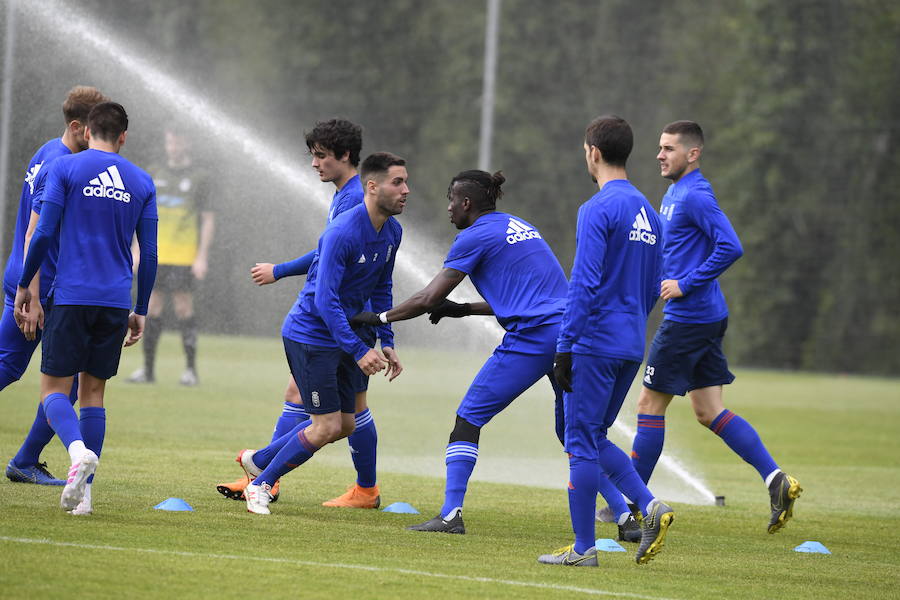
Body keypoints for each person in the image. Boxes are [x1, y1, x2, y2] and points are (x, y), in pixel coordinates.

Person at [351, 168, 590, 537]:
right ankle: (629, 516)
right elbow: (531, 297)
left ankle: (450, 515)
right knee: (574, 434)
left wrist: (377, 316)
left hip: (535, 337)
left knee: (468, 418)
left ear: (466, 203)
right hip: (568, 336)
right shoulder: (519, 226)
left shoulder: (473, 237)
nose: (448, 209)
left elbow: (427, 298)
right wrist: (462, 308)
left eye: (451, 201)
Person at [629, 120, 802, 534]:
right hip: (704, 317)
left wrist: (685, 283)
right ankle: (776, 480)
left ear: (693, 154)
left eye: (669, 148)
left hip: (689, 320)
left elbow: (731, 245)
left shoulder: (696, 195)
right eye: (659, 147)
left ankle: (631, 503)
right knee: (708, 411)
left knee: (649, 406)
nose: (660, 154)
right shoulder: (674, 193)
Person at [216, 119, 385, 509]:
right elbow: (330, 250)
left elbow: (327, 252)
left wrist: (280, 269)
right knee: (323, 404)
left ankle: (268, 472)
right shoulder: (348, 193)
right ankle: (267, 470)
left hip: (338, 324)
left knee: (346, 414)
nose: (314, 164)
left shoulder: (355, 197)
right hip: (345, 321)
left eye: (321, 156)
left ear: (345, 156)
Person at [538, 115, 672, 567]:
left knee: (578, 439)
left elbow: (585, 283)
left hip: (593, 342)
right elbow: (655, 285)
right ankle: (651, 507)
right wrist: (629, 321)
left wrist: (565, 344)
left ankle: (582, 550)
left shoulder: (596, 209)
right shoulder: (649, 212)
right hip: (631, 343)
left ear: (592, 152)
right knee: (594, 436)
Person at [14, 101, 158, 515]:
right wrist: (141, 308)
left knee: (53, 391)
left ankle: (77, 453)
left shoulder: (66, 168)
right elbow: (148, 253)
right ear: (124, 137)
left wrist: (27, 284)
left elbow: (42, 234)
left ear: (88, 130)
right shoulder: (142, 181)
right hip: (114, 301)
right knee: (93, 394)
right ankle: (85, 497)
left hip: (72, 295)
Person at [3, 85, 108, 486]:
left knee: (18, 368)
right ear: (79, 127)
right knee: (66, 381)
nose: (99, 135)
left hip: (27, 278)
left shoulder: (47, 151)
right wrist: (32, 290)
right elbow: (37, 234)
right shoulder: (60, 164)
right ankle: (26, 460)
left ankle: (27, 459)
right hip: (39, 286)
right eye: (93, 128)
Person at [128, 127, 213, 386]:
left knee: (183, 307)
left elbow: (208, 219)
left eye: (177, 141)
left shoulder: (200, 177)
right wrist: (136, 248)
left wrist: (202, 256)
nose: (173, 146)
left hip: (184, 256)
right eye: (169, 141)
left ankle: (190, 370)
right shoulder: (154, 172)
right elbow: (141, 215)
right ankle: (148, 370)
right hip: (155, 254)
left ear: (187, 142)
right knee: (151, 308)